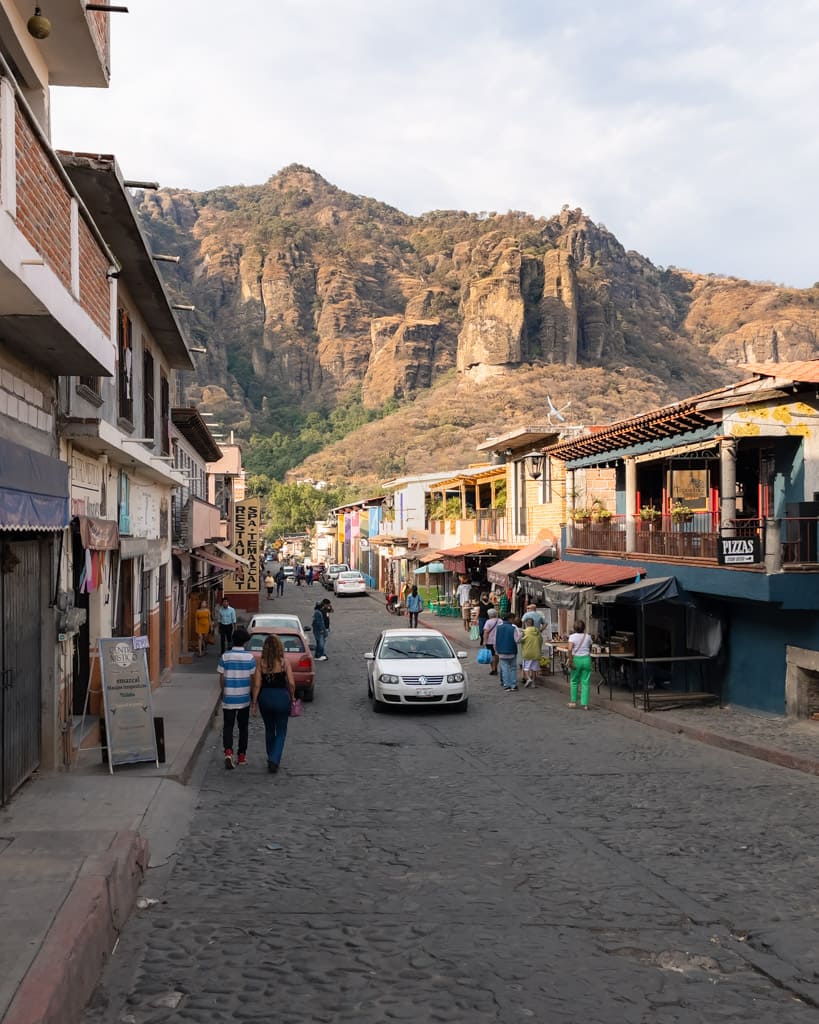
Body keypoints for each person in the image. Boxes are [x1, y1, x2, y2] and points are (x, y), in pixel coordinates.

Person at [252, 633, 295, 773]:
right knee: (281, 730)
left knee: (269, 729)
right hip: (281, 697)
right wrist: (292, 696)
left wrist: (254, 703)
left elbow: (257, 685)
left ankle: (271, 756)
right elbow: (291, 683)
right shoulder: (284, 662)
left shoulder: (261, 662)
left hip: (265, 697)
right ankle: (274, 758)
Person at [218, 626, 258, 769]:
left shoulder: (225, 656)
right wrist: (254, 698)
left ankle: (228, 752)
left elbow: (221, 678)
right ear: (245, 642)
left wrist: (223, 692)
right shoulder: (250, 658)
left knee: (228, 726)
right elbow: (253, 679)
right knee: (243, 727)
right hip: (243, 698)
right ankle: (241, 756)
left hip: (229, 697)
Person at [567, 619, 593, 710]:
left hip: (576, 659)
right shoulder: (588, 636)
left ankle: (573, 702)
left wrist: (570, 661)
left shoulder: (572, 637)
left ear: (574, 628)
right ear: (584, 628)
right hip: (586, 659)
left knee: (574, 681)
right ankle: (585, 704)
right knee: (585, 682)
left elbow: (570, 649)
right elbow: (590, 647)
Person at [495, 613, 521, 691]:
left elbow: (495, 640)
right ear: (510, 618)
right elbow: (517, 640)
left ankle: (507, 685)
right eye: (513, 618)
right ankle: (513, 685)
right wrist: (521, 634)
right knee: (513, 668)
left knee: (504, 668)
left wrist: (496, 650)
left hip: (501, 651)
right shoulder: (513, 628)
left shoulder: (498, 627)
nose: (514, 620)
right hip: (512, 650)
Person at [520, 622, 543, 688]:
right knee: (534, 669)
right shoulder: (538, 632)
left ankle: (528, 678)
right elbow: (541, 640)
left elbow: (520, 640)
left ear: (526, 624)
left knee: (526, 667)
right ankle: (533, 683)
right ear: (533, 624)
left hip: (527, 653)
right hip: (536, 652)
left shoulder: (525, 632)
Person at [482, 606, 500, 676]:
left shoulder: (488, 622)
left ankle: (492, 668)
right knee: (496, 654)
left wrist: (485, 641)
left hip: (490, 641)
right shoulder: (500, 621)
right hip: (498, 640)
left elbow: (486, 632)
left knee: (491, 655)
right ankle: (496, 667)